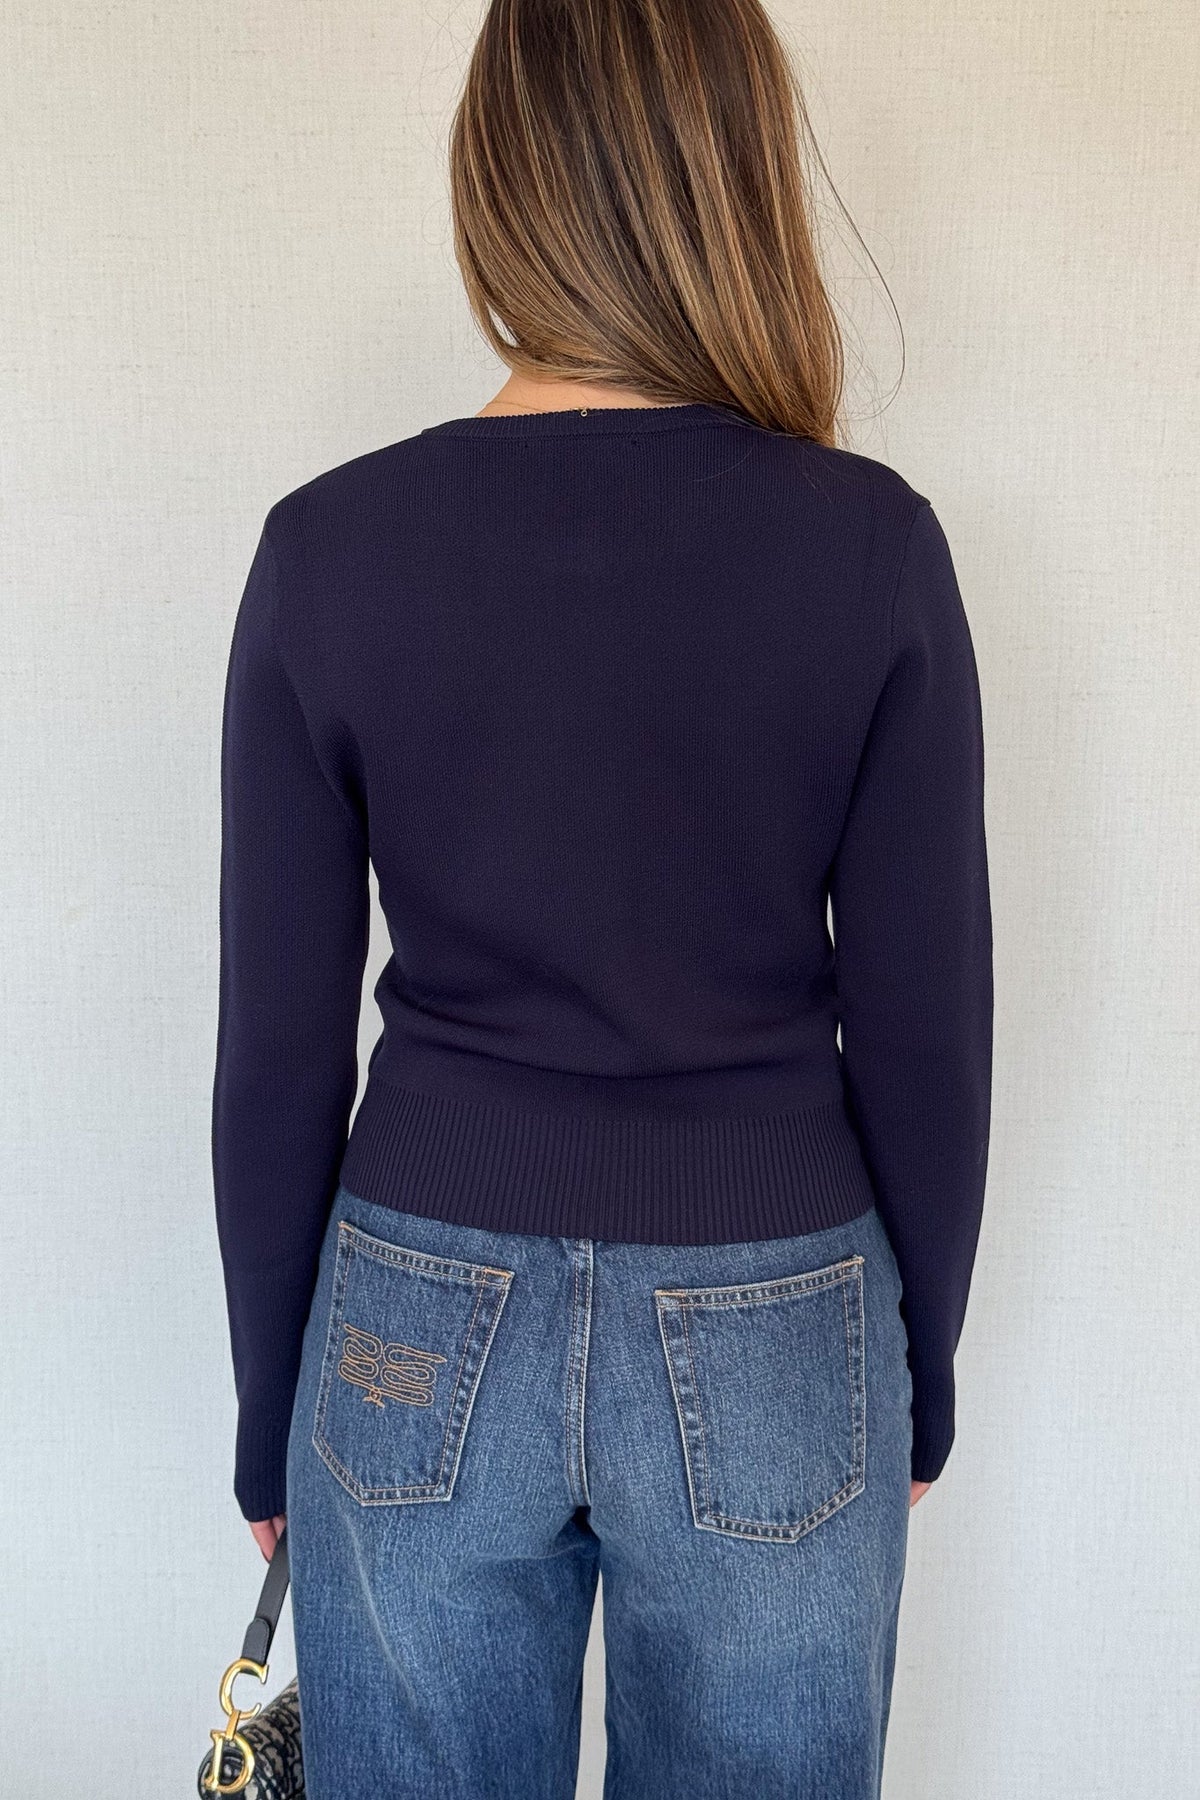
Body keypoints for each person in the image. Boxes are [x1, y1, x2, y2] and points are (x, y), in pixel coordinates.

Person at [211, 1, 992, 1793]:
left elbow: (275, 1059)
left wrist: (273, 1412)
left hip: (411, 1308)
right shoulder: (872, 550)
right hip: (781, 1310)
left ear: (496, 177)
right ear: (739, 177)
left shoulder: (328, 550)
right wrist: (917, 1367)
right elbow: (930, 1034)